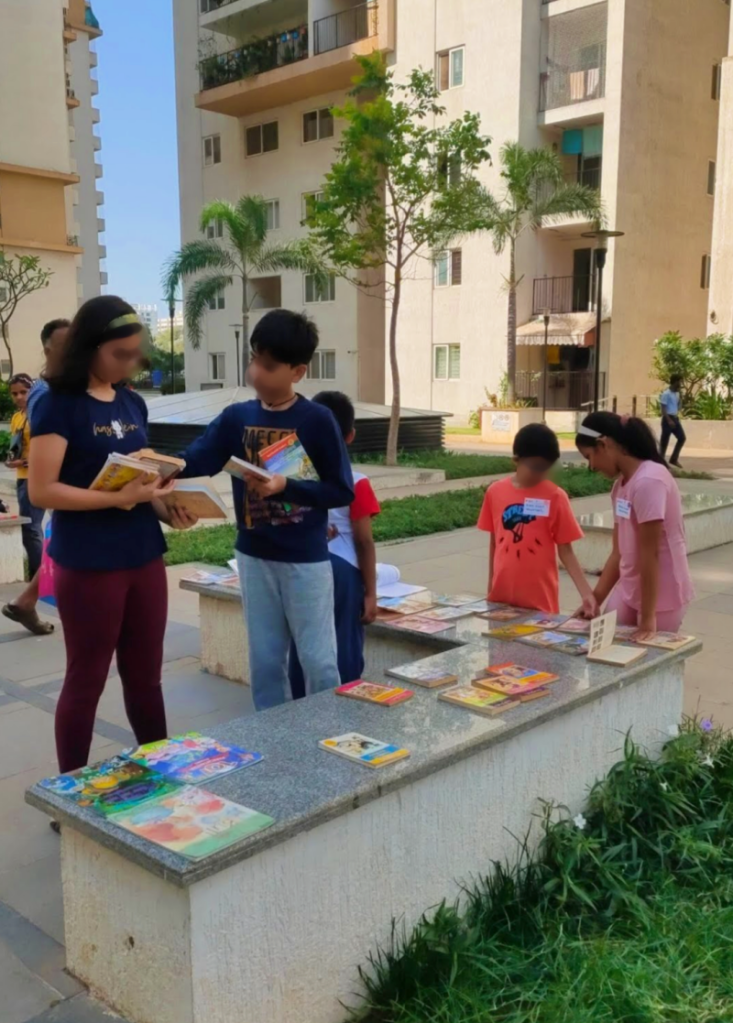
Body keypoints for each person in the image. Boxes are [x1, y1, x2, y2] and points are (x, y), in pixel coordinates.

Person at [28, 296, 197, 773]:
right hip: (89, 562)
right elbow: (43, 490)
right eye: (119, 354)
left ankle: (159, 769)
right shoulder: (59, 404)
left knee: (145, 678)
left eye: (134, 354)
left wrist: (168, 506)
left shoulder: (131, 401)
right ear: (89, 347)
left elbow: (141, 481)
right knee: (87, 678)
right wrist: (114, 500)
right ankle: (72, 789)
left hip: (142, 555)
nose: (129, 364)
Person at [180, 309, 354, 711]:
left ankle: (328, 736)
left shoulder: (317, 420)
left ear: (298, 371)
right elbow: (198, 459)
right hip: (254, 557)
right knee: (264, 660)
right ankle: (273, 742)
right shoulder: (237, 417)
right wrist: (160, 465)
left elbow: (340, 489)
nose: (255, 372)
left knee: (318, 660)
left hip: (305, 561)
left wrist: (285, 486)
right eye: (254, 359)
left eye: (269, 365)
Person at [289, 391, 380, 696]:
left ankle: (298, 709)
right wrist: (371, 592)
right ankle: (344, 709)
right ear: (350, 435)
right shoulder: (357, 480)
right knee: (343, 643)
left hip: (301, 565)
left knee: (304, 641)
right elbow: (364, 542)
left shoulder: (294, 475)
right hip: (342, 573)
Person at [575, 411, 693, 639]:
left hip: (661, 596)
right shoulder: (620, 487)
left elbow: (651, 555)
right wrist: (594, 599)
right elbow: (618, 552)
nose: (591, 467)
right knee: (604, 645)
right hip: (630, 589)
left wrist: (648, 621)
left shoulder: (649, 481)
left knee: (648, 663)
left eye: (589, 456)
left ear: (603, 444)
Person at [478, 423, 598, 616]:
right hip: (500, 600)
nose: (540, 474)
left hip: (540, 602)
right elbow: (495, 543)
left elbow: (566, 551)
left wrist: (586, 594)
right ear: (516, 461)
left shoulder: (556, 497)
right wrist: (490, 589)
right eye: (535, 467)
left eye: (546, 468)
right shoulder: (495, 492)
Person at [2, 319, 70, 636]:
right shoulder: (43, 398)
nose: (18, 397)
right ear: (47, 350)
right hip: (40, 481)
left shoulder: (46, 396)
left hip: (45, 479)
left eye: (21, 392)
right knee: (43, 535)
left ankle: (28, 597)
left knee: (58, 537)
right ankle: (33, 594)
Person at [6, 373, 44, 579]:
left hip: (38, 476)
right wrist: (11, 460)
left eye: (24, 391)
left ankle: (38, 577)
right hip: (22, 477)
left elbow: (47, 450)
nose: (19, 397)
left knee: (31, 528)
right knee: (27, 529)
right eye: (14, 394)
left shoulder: (38, 414)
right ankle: (37, 575)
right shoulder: (17, 417)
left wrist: (27, 462)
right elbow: (17, 447)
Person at [660, 374, 686, 468]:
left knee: (682, 438)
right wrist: (669, 420)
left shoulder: (677, 394)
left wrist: (681, 399)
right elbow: (663, 409)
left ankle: (674, 459)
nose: (680, 383)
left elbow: (678, 407)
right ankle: (661, 461)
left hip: (675, 418)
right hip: (668, 419)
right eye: (679, 381)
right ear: (675, 382)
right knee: (664, 441)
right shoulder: (666, 394)